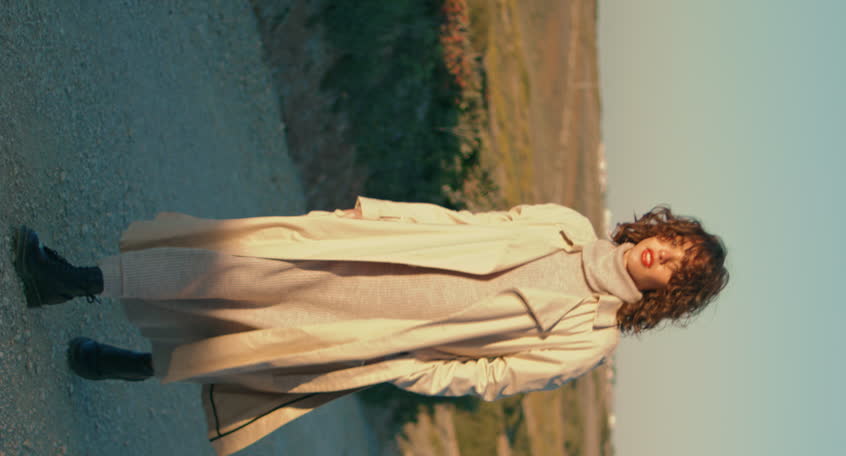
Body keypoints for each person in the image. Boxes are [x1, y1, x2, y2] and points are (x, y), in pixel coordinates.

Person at [13, 196, 728, 456]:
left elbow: (495, 378)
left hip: (377, 332)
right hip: (372, 255)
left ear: (668, 292)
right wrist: (381, 217)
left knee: (246, 353)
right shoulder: (568, 226)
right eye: (673, 240)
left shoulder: (591, 336)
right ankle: (74, 281)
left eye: (677, 267)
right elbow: (466, 225)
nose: (661, 252)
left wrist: (406, 365)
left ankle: (125, 364)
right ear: (660, 229)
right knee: (229, 264)